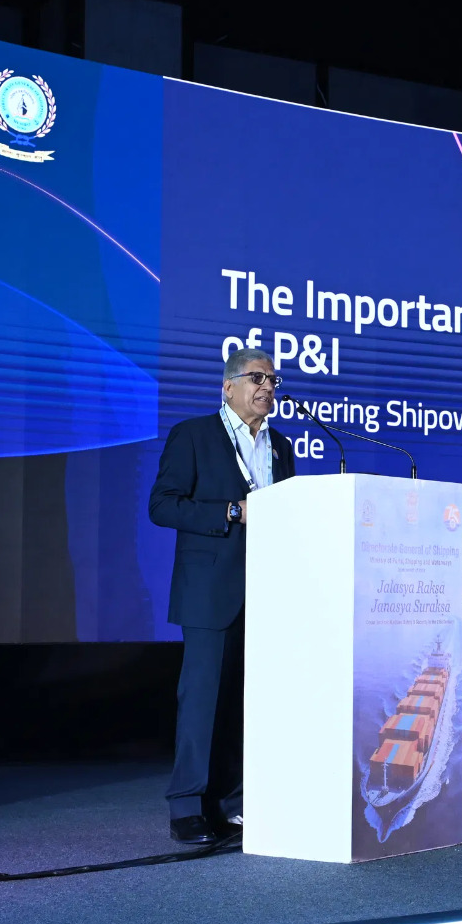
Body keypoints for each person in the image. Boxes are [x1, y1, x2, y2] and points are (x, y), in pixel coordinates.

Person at [149, 348, 296, 845]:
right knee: (202, 700)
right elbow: (162, 506)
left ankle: (231, 804)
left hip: (267, 592)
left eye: (273, 380)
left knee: (245, 702)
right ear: (228, 387)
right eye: (257, 378)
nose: (267, 387)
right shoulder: (193, 435)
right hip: (210, 590)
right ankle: (187, 806)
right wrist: (232, 511)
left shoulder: (280, 446)